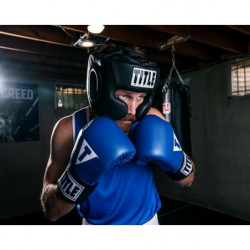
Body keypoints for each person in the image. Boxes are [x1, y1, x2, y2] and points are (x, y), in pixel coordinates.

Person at [40, 46, 195, 225]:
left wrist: (175, 159)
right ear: (100, 88)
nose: (133, 110)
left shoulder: (152, 118)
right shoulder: (68, 129)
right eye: (125, 96)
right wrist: (77, 178)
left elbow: (188, 180)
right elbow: (50, 210)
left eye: (141, 97)